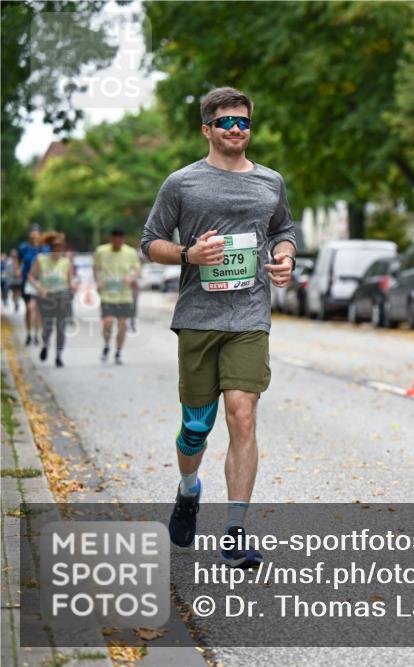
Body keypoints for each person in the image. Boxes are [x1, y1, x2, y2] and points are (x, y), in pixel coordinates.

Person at [141, 87, 295, 568]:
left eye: (243, 123)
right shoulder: (182, 184)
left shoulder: (270, 182)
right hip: (198, 318)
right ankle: (189, 489)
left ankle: (234, 531)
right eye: (226, 122)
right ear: (207, 128)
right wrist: (189, 254)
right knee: (195, 427)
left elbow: (284, 230)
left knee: (242, 414)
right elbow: (151, 243)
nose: (236, 130)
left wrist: (286, 258)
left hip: (249, 316)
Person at [94, 229, 141, 364]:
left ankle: (118, 352)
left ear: (123, 239)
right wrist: (97, 281)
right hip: (107, 294)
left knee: (122, 325)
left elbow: (137, 269)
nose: (118, 242)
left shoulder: (130, 252)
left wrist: (131, 278)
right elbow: (95, 267)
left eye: (120, 239)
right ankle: (107, 345)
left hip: (124, 295)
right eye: (115, 239)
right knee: (108, 322)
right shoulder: (101, 251)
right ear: (111, 238)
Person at [29, 231, 75, 367]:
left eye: (59, 248)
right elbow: (30, 277)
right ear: (50, 248)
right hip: (46, 298)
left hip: (62, 297)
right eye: (55, 248)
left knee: (61, 328)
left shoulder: (66, 262)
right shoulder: (41, 259)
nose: (57, 250)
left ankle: (59, 356)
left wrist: (73, 286)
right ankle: (45, 344)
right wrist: (39, 289)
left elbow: (69, 281)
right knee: (47, 327)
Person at [18, 225, 47, 345]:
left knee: (38, 310)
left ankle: (37, 334)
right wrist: (18, 269)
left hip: (41, 282)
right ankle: (29, 333)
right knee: (29, 309)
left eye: (36, 233)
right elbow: (19, 259)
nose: (34, 235)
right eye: (32, 233)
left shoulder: (45, 248)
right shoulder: (24, 247)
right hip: (28, 281)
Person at [5, 248, 21, 313]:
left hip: (19, 280)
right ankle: (15, 303)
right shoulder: (9, 261)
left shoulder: (20, 260)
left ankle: (17, 301)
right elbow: (7, 271)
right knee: (14, 293)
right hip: (12, 280)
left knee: (18, 293)